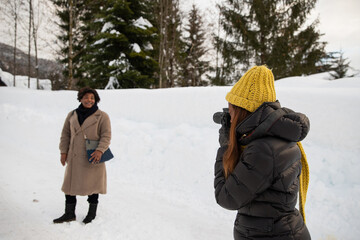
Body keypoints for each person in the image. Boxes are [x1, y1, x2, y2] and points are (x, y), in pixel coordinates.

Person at [213, 66, 311, 239]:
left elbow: (226, 197)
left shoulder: (263, 149)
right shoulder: (273, 137)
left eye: (232, 107)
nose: (230, 112)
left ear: (242, 110)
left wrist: (226, 145)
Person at [53, 87, 111, 224]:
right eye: (86, 97)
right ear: (80, 99)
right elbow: (65, 134)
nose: (89, 100)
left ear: (96, 100)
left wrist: (99, 150)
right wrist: (63, 151)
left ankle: (91, 214)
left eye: (92, 98)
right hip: (74, 156)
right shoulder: (72, 114)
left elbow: (106, 135)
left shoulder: (102, 116)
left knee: (93, 185)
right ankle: (69, 213)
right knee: (70, 186)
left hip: (92, 156)